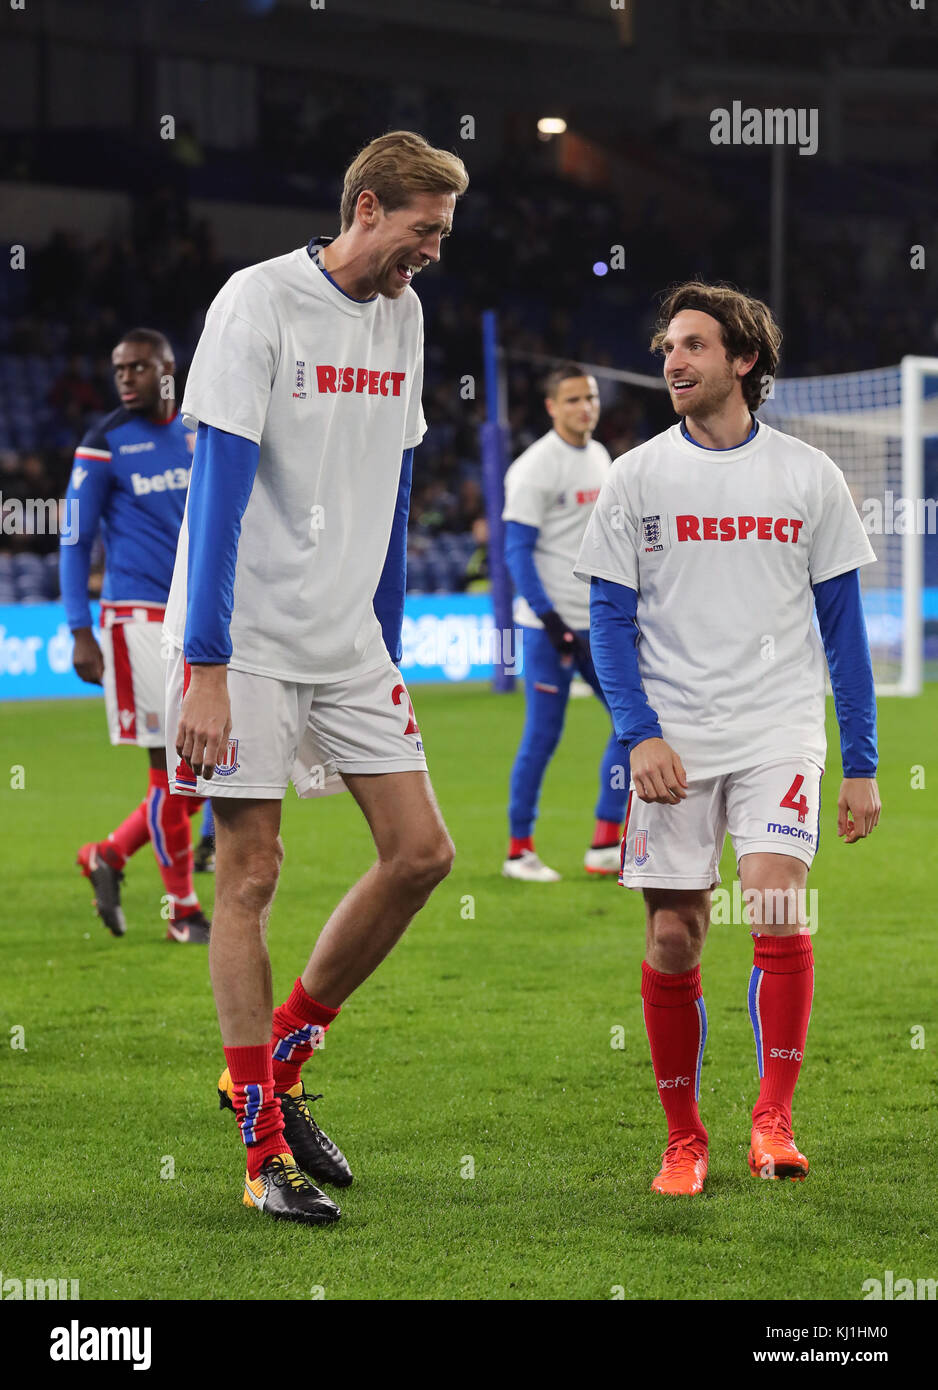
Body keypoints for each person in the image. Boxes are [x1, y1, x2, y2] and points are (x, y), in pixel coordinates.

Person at [164, 131, 468, 1225]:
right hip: (242, 638)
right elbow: (221, 493)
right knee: (248, 873)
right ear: (369, 206)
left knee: (423, 853)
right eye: (423, 231)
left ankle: (278, 1063)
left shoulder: (407, 316)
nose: (432, 252)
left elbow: (388, 488)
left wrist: (382, 646)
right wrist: (203, 665)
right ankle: (258, 1153)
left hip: (347, 643)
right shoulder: (257, 303)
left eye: (442, 235)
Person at [575, 281, 880, 1195]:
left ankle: (773, 1119)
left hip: (778, 727)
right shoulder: (635, 477)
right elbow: (606, 620)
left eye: (695, 345)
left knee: (775, 901)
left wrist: (860, 762)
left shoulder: (806, 475)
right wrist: (639, 736)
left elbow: (845, 632)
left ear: (743, 360)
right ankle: (684, 1138)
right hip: (673, 739)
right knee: (675, 935)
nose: (673, 359)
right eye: (669, 345)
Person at [60, 328, 210, 943]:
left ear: (169, 371)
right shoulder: (105, 442)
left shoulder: (200, 431)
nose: (125, 379)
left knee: (201, 771)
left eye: (139, 368)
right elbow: (74, 539)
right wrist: (79, 629)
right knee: (170, 770)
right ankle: (181, 908)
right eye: (119, 369)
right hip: (136, 621)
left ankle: (110, 854)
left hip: (198, 620)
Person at [501, 364, 624, 882]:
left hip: (598, 626)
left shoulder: (601, 457)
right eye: (572, 399)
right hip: (548, 629)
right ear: (552, 407)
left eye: (590, 398)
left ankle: (605, 842)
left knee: (634, 725)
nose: (584, 407)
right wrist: (551, 621)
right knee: (542, 738)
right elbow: (516, 553)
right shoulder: (534, 468)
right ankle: (518, 851)